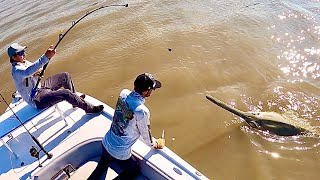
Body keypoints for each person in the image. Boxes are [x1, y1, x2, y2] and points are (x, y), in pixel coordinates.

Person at [88, 73, 166, 180]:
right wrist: (156, 143)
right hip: (120, 153)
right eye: (152, 89)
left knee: (100, 167)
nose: (152, 91)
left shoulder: (124, 93)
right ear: (146, 91)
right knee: (134, 170)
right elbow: (146, 137)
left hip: (106, 142)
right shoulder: (142, 111)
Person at [8, 42, 104, 113]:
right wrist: (46, 56)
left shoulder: (24, 62)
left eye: (23, 51)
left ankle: (75, 101)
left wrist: (38, 72)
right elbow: (27, 71)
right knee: (66, 93)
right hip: (37, 99)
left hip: (41, 88)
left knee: (65, 76)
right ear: (13, 57)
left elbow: (32, 70)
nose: (24, 54)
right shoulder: (16, 71)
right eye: (20, 53)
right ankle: (89, 109)